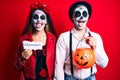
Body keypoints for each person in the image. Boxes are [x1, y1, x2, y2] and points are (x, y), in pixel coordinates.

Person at [54, 1, 109, 80]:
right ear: (73, 17)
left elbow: (104, 64)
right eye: (77, 14)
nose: (81, 17)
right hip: (70, 78)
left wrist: (95, 48)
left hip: (90, 77)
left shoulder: (96, 37)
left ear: (88, 16)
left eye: (84, 14)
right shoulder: (63, 37)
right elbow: (58, 64)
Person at [14, 2, 57, 80]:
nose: (39, 20)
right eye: (35, 17)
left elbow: (58, 63)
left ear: (46, 21)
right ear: (31, 20)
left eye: (42, 17)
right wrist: (23, 59)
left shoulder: (53, 39)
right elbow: (16, 66)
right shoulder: (23, 39)